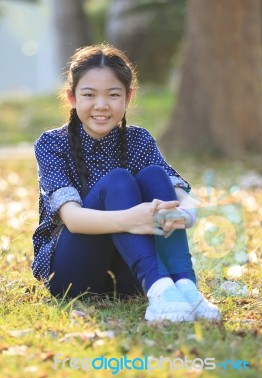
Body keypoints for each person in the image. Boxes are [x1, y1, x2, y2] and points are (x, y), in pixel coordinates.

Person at [32, 44, 221, 323]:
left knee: (154, 175)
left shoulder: (139, 140)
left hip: (130, 276)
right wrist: (131, 219)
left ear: (128, 97)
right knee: (118, 181)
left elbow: (177, 191)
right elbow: (72, 219)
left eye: (113, 95)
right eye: (89, 95)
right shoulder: (52, 144)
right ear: (72, 97)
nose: (101, 105)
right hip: (72, 274)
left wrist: (186, 214)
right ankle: (160, 290)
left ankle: (184, 289)